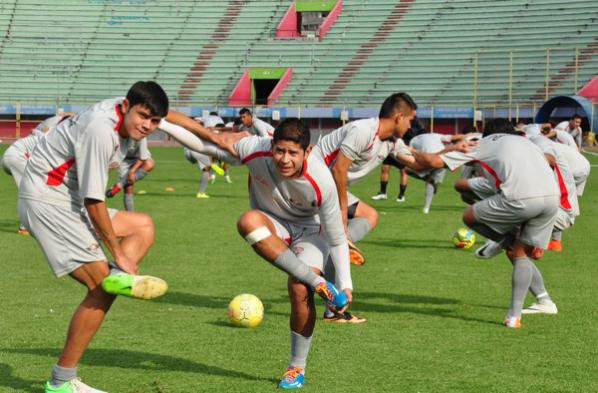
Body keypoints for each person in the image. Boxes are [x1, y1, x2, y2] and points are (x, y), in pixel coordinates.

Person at [160, 118, 352, 389]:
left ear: (307, 152)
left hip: (310, 231)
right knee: (248, 221)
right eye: (279, 150)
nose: (284, 159)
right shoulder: (255, 148)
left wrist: (345, 284)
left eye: (293, 153)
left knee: (299, 288)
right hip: (271, 222)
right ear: (271, 145)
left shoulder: (322, 180)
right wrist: (163, 124)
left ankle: (296, 368)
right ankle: (319, 283)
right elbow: (208, 146)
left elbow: (336, 237)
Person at [19, 81, 171, 393]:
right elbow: (93, 201)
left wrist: (211, 136)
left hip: (66, 197)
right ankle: (61, 382)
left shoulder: (123, 109)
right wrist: (119, 254)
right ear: (126, 107)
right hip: (48, 200)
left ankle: (115, 280)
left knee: (143, 225)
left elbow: (172, 119)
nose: (148, 126)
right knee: (101, 287)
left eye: (155, 121)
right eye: (144, 116)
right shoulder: (100, 130)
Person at [412, 118, 560, 328]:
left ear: (485, 132)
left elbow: (432, 163)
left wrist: (416, 149)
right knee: (520, 253)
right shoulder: (528, 142)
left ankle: (503, 241)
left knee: (469, 217)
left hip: (520, 197)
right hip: (551, 197)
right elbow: (549, 161)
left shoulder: (484, 142)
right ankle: (517, 314)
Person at [2, 114, 71, 234]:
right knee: (30, 191)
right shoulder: (52, 138)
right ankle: (25, 227)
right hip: (17, 158)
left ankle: (41, 220)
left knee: (35, 188)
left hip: (8, 158)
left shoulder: (48, 134)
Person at [407, 132, 467, 214]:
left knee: (407, 170)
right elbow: (453, 137)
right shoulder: (436, 135)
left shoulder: (413, 140)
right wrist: (466, 136)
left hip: (428, 159)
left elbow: (411, 155)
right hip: (442, 158)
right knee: (433, 181)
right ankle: (426, 207)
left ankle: (426, 206)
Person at [370, 118, 425, 202]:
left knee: (403, 171)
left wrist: (409, 130)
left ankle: (401, 195)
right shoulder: (397, 119)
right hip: (391, 146)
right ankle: (382, 193)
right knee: (385, 168)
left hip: (403, 148)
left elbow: (416, 134)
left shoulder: (414, 122)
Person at [105, 137, 154, 210]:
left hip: (139, 158)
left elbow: (143, 158)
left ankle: (119, 185)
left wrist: (132, 171)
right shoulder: (118, 135)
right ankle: (130, 215)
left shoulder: (142, 136)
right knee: (128, 187)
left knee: (149, 164)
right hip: (123, 160)